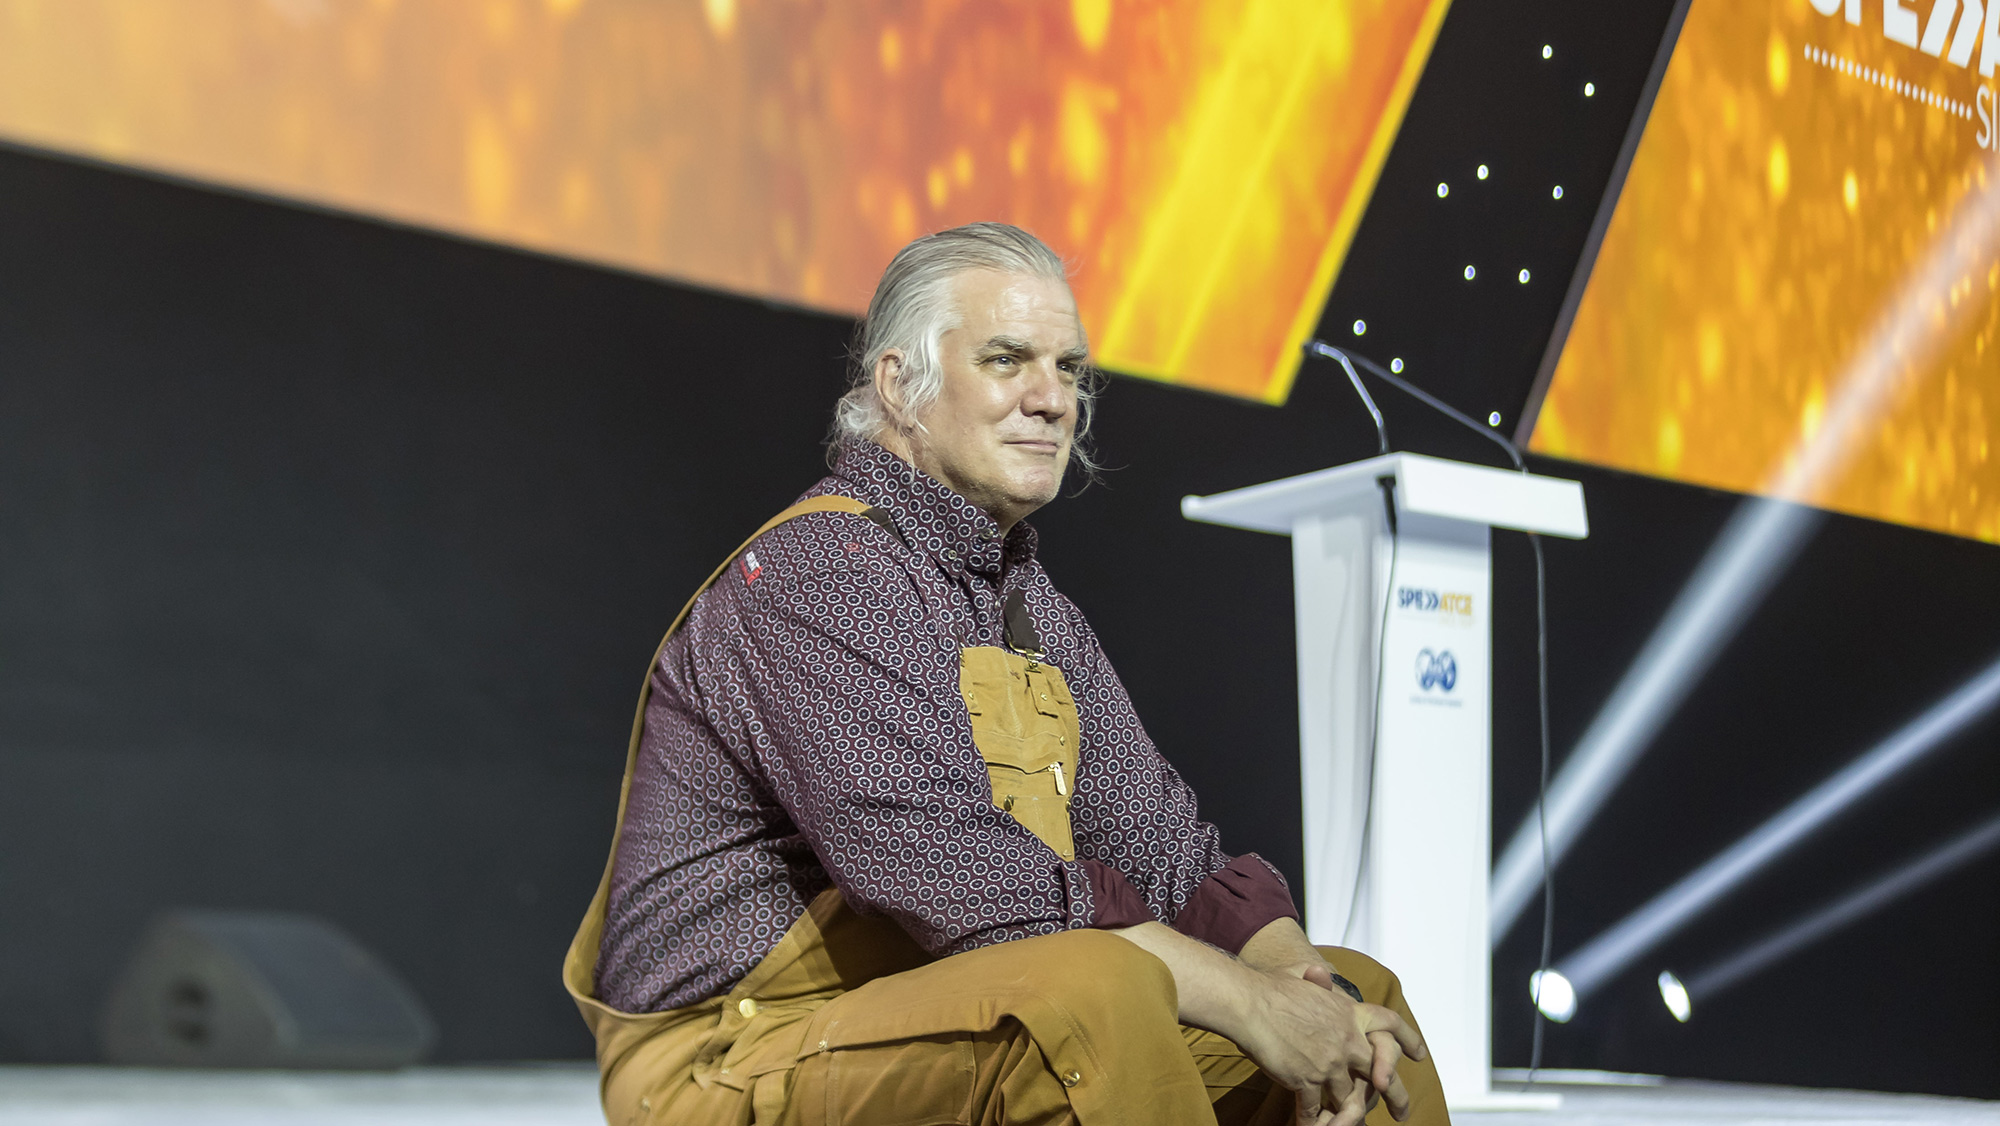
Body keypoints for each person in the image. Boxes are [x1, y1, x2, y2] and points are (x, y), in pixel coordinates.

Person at [562, 222, 1449, 1126]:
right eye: (1006, 359)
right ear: (900, 384)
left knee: (1360, 995)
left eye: (1069, 369)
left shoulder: (1026, 599)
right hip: (729, 1053)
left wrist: (1299, 981)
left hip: (929, 1005)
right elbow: (965, 879)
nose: (1052, 398)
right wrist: (1254, 1007)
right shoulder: (820, 572)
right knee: (1093, 991)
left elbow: (1158, 839)